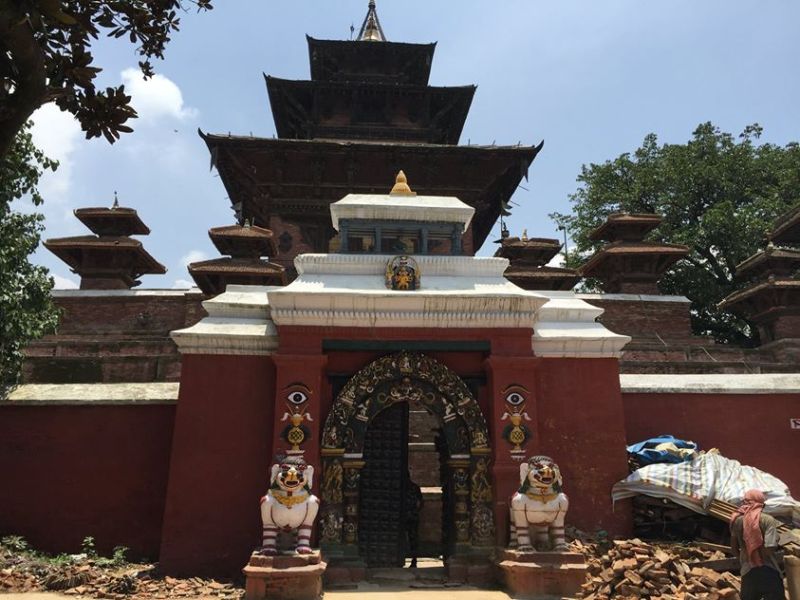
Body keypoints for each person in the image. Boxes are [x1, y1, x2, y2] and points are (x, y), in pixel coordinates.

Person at [729, 489, 785, 600]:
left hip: (747, 572)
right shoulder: (768, 520)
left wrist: (746, 559)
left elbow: (734, 548)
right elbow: (770, 547)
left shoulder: (737, 521)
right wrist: (759, 560)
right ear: (761, 503)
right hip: (768, 570)